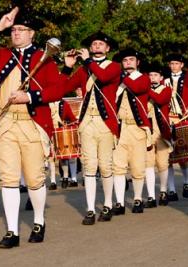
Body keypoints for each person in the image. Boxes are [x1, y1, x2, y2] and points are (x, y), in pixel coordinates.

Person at [0, 7, 70, 248]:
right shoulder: (2, 55)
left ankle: (38, 221)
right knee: (8, 179)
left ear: (32, 34)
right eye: (14, 30)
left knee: (35, 178)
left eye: (21, 30)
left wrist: (31, 97)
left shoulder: (43, 58)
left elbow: (59, 90)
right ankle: (12, 231)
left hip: (32, 124)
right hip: (5, 125)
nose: (16, 33)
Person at [62, 31, 120, 225]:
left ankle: (107, 204)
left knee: (105, 165)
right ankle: (89, 209)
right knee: (89, 165)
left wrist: (86, 62)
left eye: (100, 44)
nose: (96, 46)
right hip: (87, 121)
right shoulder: (83, 70)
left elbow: (103, 77)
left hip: (105, 123)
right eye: (94, 44)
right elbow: (64, 87)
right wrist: (67, 66)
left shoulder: (114, 66)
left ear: (107, 48)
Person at [111, 48, 151, 214]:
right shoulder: (119, 81)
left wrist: (122, 77)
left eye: (131, 60)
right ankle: (119, 203)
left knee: (137, 167)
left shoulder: (144, 78)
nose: (127, 63)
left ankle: (137, 199)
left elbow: (137, 88)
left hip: (137, 127)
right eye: (125, 60)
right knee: (118, 167)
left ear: (137, 62)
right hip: (121, 127)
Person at [164, 53, 188, 200]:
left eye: (177, 63)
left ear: (182, 65)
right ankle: (171, 189)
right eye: (172, 63)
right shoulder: (164, 80)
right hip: (167, 120)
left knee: (184, 156)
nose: (174, 66)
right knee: (167, 157)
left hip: (183, 119)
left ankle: (187, 182)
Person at [144, 63, 172, 207]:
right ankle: (150, 196)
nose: (152, 77)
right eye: (150, 75)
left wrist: (147, 89)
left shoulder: (166, 89)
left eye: (155, 75)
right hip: (147, 131)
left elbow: (161, 100)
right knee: (148, 164)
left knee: (162, 163)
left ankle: (163, 191)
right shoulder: (144, 91)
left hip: (161, 131)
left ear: (161, 77)